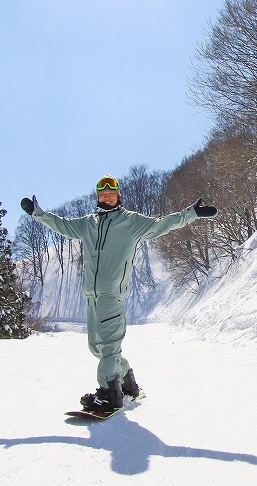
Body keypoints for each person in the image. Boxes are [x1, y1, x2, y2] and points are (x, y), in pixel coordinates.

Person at [20, 176, 217, 417]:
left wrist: (191, 213)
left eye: (111, 194)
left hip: (111, 294)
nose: (106, 198)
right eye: (102, 195)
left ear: (118, 196)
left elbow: (162, 224)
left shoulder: (130, 222)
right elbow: (61, 225)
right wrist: (38, 213)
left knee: (109, 347)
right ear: (98, 197)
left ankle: (109, 395)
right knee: (98, 348)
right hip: (91, 294)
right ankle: (127, 383)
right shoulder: (88, 224)